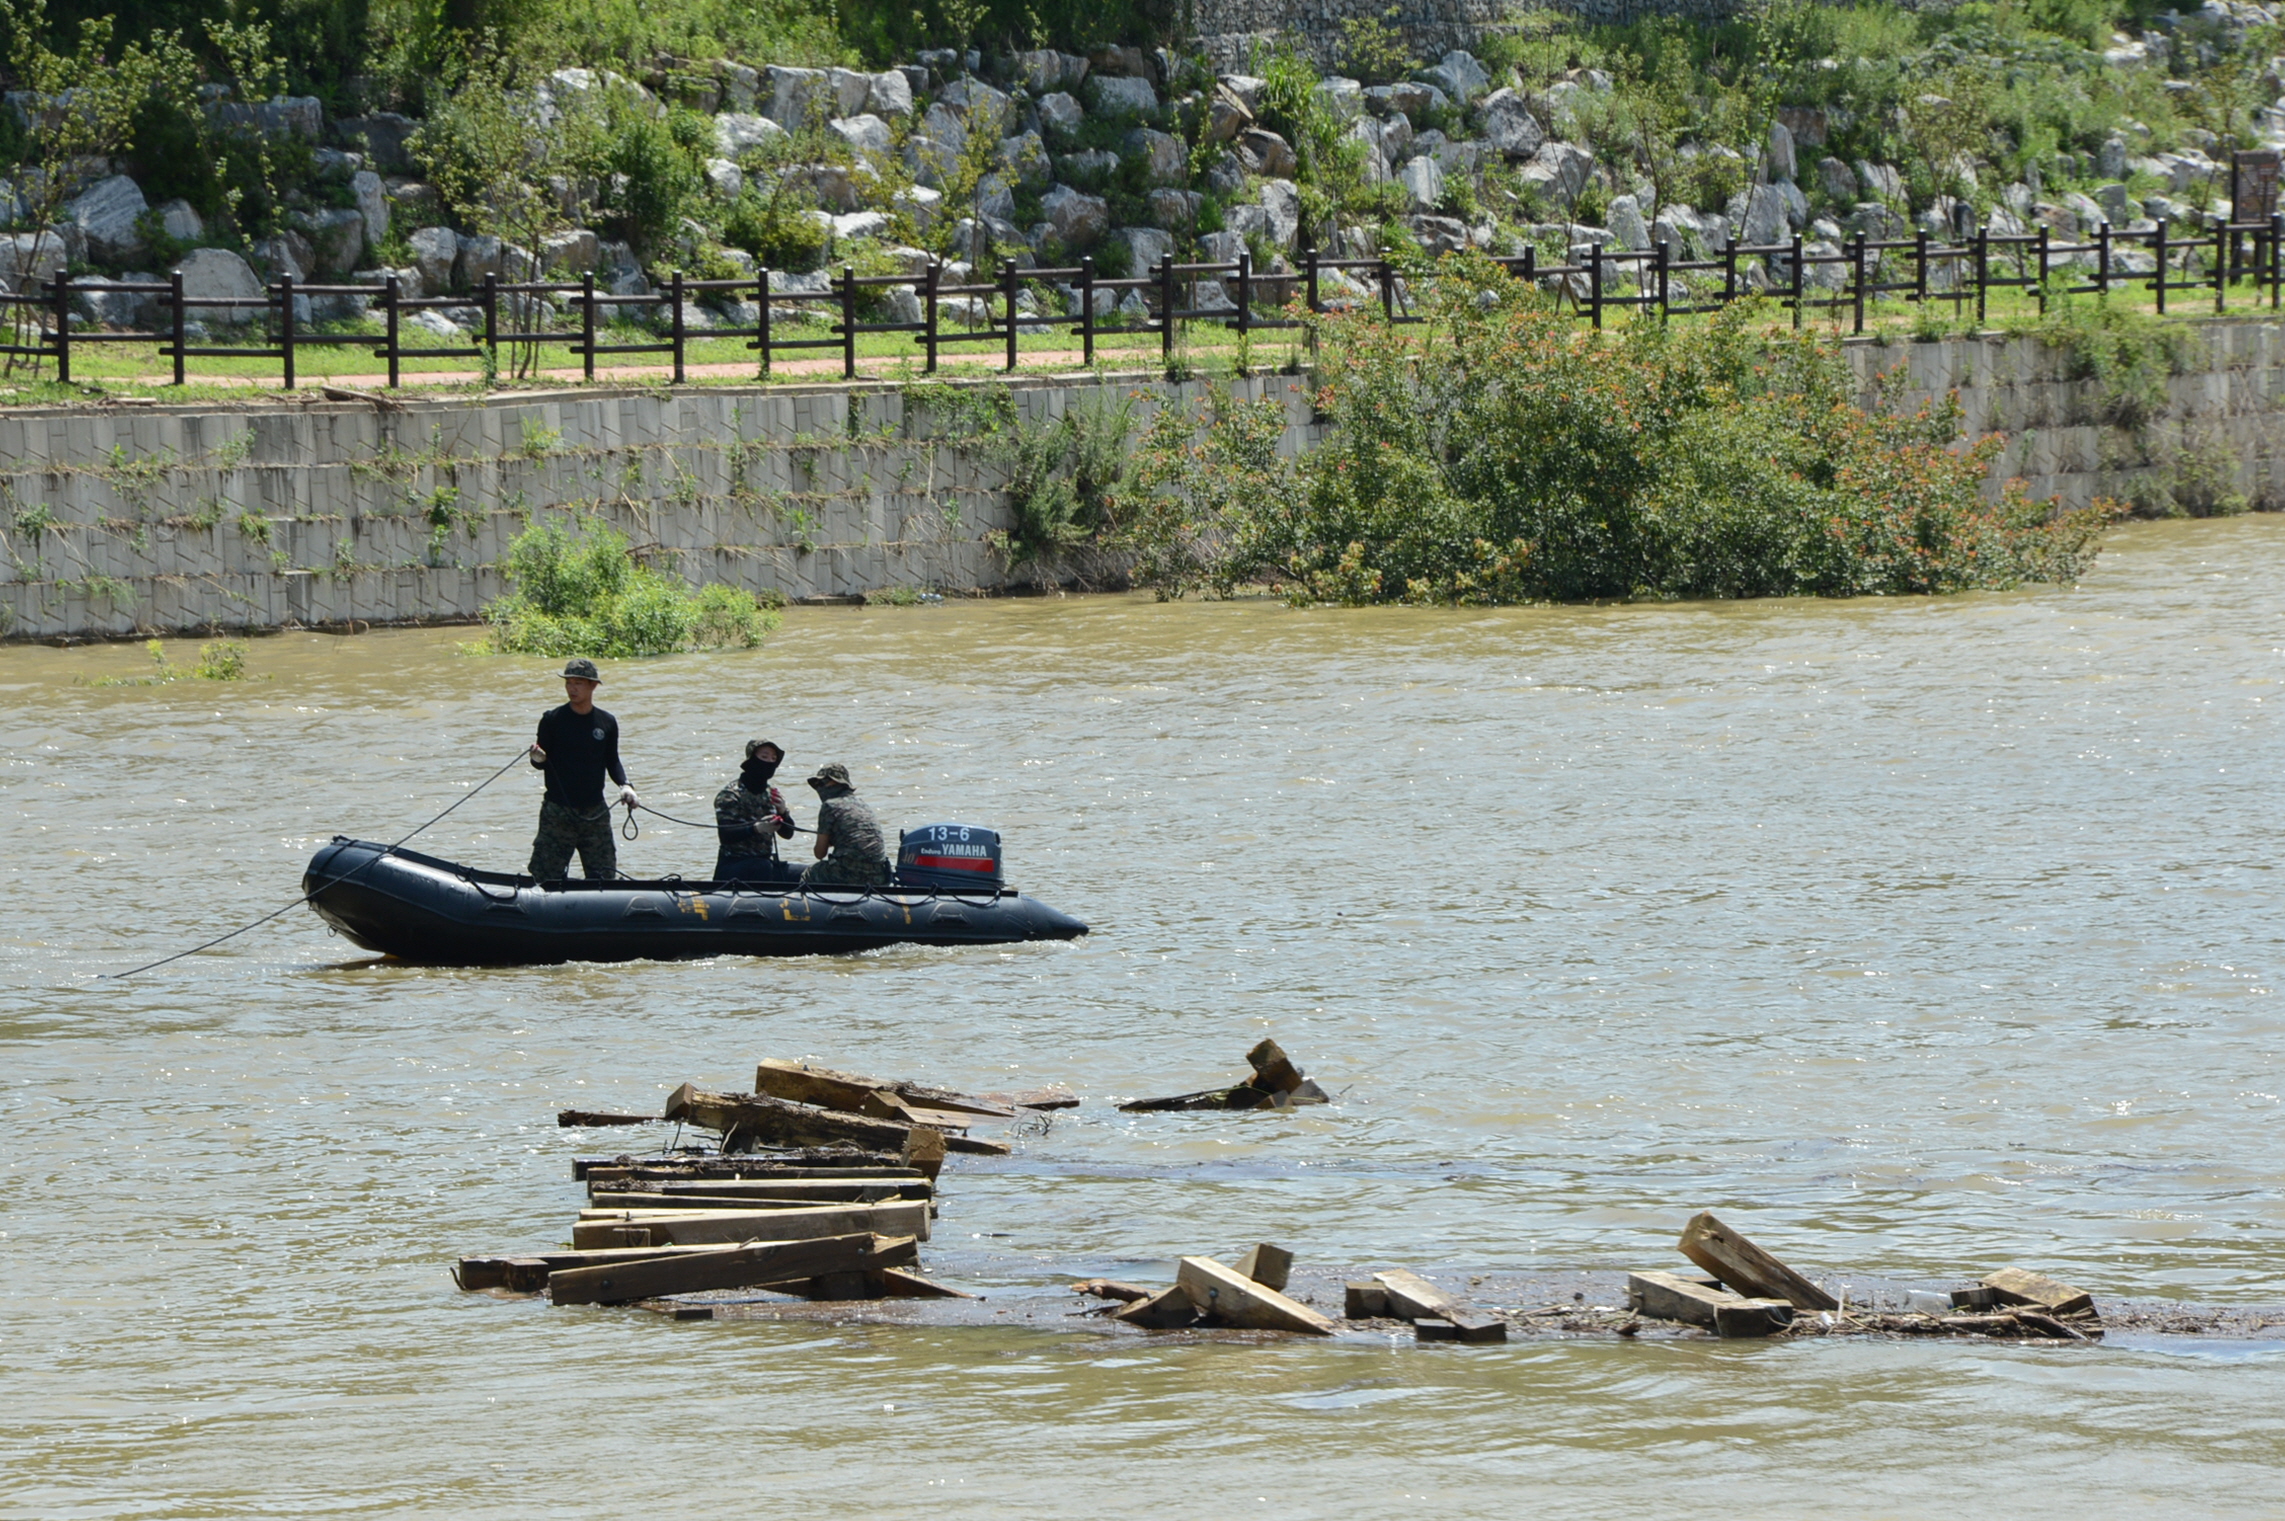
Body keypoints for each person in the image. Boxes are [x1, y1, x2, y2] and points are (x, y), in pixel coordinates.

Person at [526, 657, 637, 880]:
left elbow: (612, 760)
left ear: (593, 686)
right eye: (568, 683)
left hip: (595, 811)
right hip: (558, 812)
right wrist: (537, 758)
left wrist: (625, 785)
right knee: (545, 876)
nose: (572, 688)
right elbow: (540, 762)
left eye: (578, 683)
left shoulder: (606, 722)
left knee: (604, 877)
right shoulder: (552, 720)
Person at [713, 739, 797, 882]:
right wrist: (757, 828)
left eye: (773, 759)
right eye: (764, 757)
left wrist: (783, 813)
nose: (769, 762)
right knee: (762, 867)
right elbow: (726, 835)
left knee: (804, 873)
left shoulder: (771, 794)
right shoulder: (731, 794)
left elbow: (788, 834)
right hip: (733, 865)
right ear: (751, 760)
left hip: (765, 862)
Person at [800, 762, 892, 888]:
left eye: (822, 782)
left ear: (834, 782)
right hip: (878, 875)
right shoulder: (862, 805)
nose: (820, 787)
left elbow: (820, 853)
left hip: (848, 872)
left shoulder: (829, 805)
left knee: (810, 874)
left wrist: (825, 838)